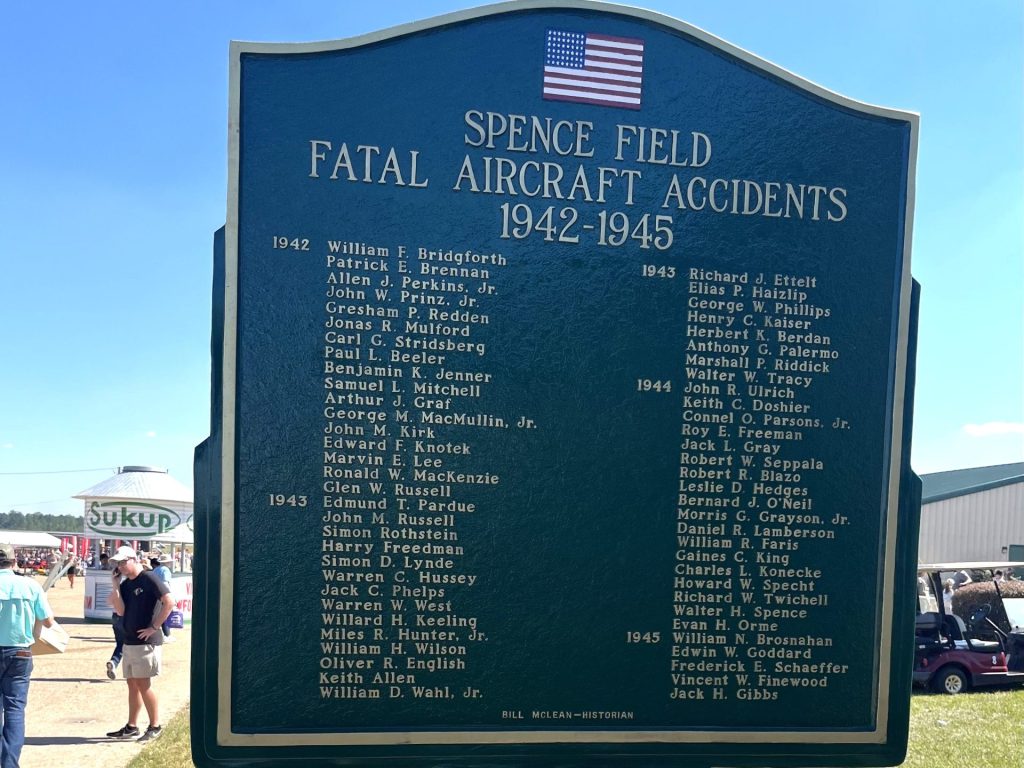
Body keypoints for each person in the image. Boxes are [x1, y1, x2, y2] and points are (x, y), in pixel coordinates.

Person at [104, 546, 173, 743]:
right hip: (130, 640)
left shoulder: (149, 578)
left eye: (124, 562)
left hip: (146, 642)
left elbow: (169, 601)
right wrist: (116, 585)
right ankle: (132, 726)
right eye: (118, 563)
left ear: (134, 559)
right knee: (132, 684)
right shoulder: (125, 585)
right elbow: (120, 610)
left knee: (144, 684)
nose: (121, 566)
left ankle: (155, 725)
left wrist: (154, 626)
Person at [0, 541, 55, 768]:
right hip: (21, 652)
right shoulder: (30, 586)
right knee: (14, 710)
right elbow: (49, 622)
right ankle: (10, 764)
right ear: (14, 561)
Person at [149, 555, 174, 640]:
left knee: (158, 614)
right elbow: (165, 584)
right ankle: (167, 634)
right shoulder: (165, 570)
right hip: (163, 594)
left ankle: (163, 633)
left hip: (155, 595)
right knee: (165, 614)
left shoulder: (156, 569)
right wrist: (170, 595)